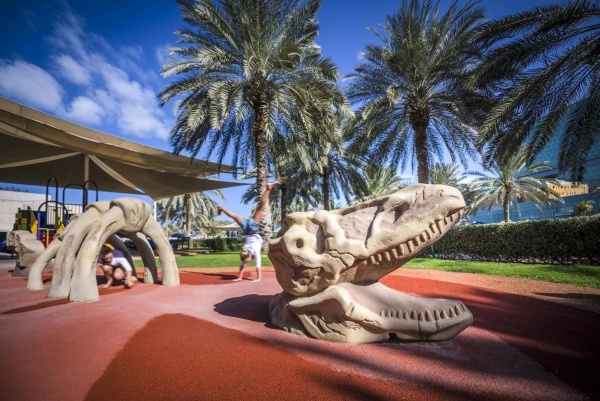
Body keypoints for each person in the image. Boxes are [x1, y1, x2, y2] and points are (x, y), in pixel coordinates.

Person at [217, 181, 279, 282]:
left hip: (252, 229)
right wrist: (239, 277)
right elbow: (243, 263)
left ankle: (268, 188)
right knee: (235, 216)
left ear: (249, 255)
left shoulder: (254, 251)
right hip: (246, 228)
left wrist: (258, 279)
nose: (246, 262)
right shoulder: (244, 251)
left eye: (247, 260)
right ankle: (221, 208)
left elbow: (258, 265)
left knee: (261, 207)